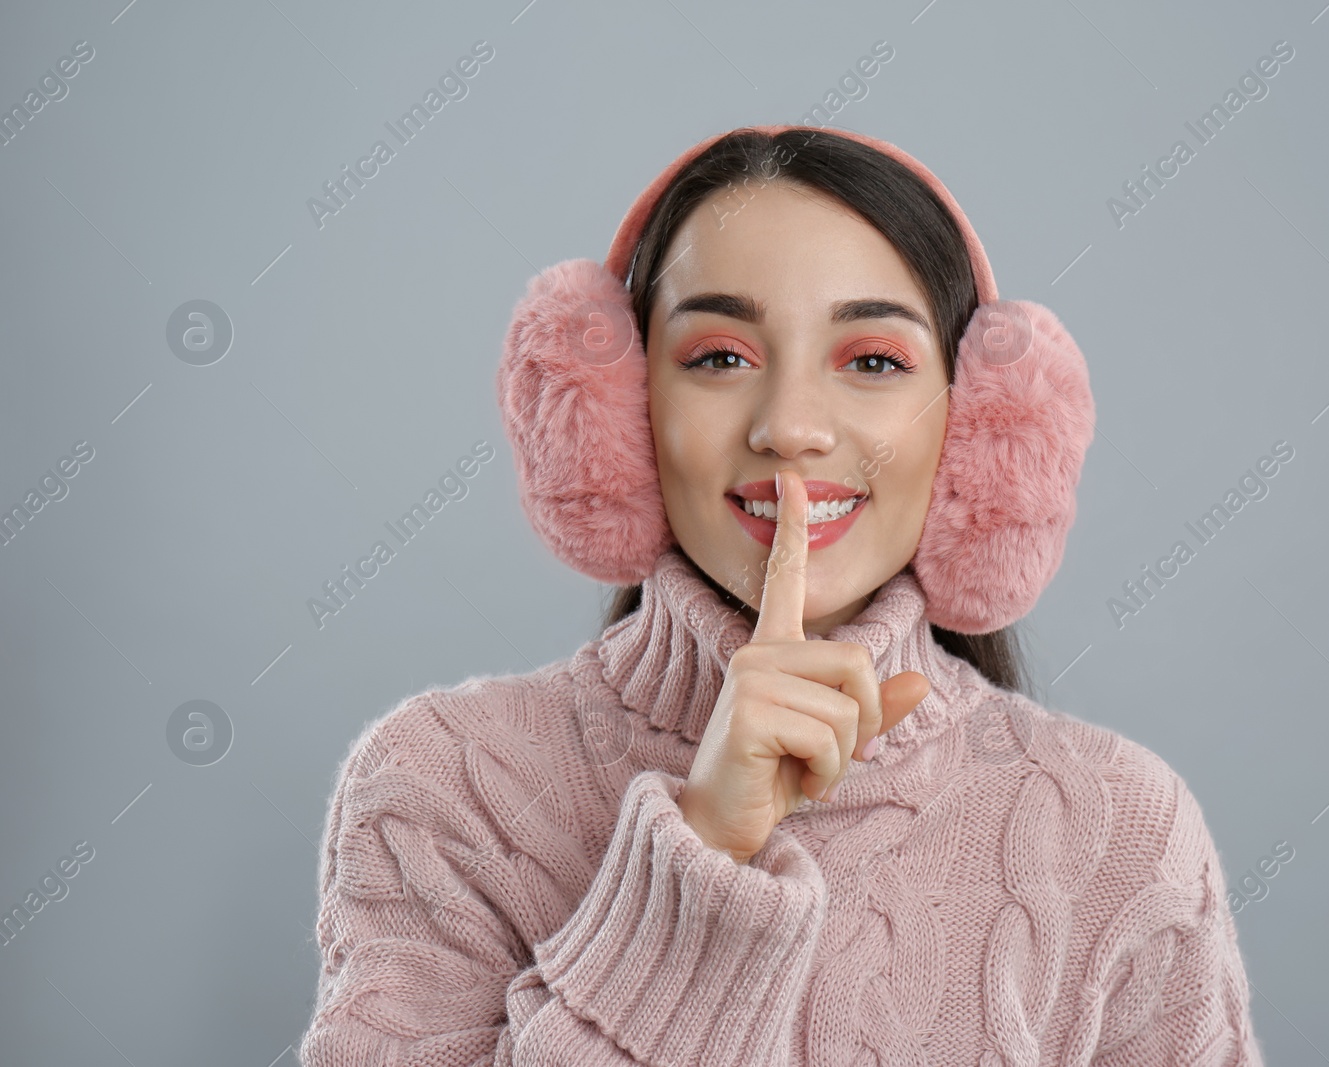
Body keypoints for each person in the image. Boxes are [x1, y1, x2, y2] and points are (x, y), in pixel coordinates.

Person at [297, 125, 1266, 1066]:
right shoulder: (438, 786)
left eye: (873, 361)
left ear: (977, 429)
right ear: (618, 416)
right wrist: (704, 851)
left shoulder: (1122, 828)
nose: (792, 427)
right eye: (720, 357)